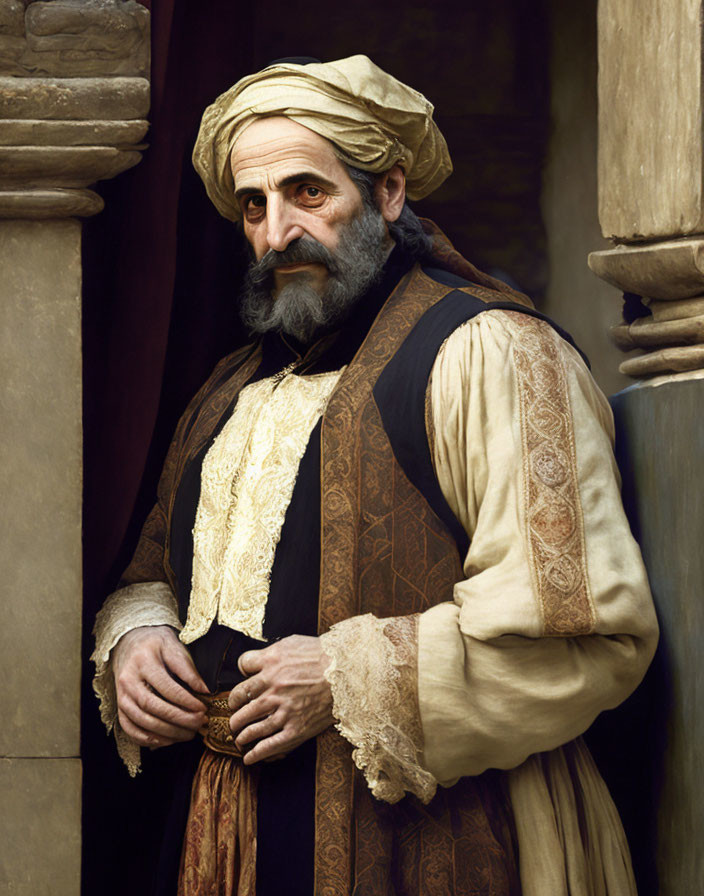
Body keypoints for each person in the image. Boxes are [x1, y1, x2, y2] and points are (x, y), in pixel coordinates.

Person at [92, 55, 658, 895]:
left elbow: (584, 637)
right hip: (227, 837)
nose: (277, 230)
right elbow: (152, 579)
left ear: (389, 192)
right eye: (254, 205)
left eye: (307, 193)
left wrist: (346, 676)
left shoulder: (493, 354)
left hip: (445, 834)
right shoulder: (227, 390)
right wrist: (137, 641)